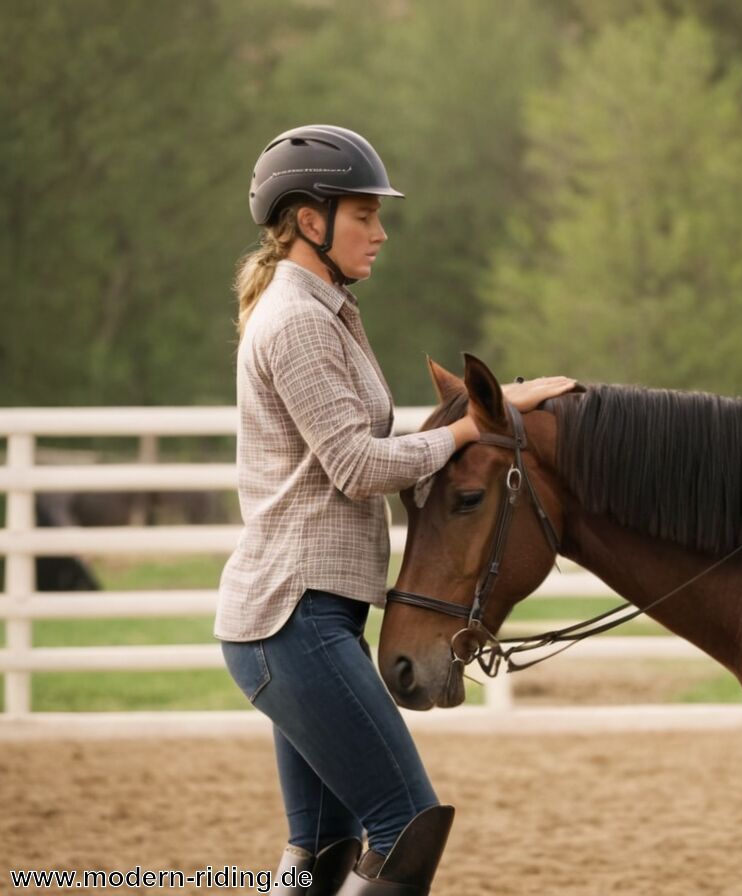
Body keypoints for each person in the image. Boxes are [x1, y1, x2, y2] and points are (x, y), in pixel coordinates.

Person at [216, 124, 576, 896]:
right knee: (405, 826)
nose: (380, 233)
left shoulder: (325, 312)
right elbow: (356, 465)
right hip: (294, 619)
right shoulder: (300, 322)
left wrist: (494, 406)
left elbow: (377, 439)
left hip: (306, 622)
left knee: (321, 850)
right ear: (310, 221)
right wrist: (469, 430)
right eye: (363, 215)